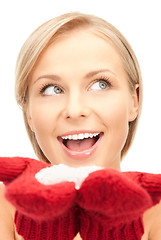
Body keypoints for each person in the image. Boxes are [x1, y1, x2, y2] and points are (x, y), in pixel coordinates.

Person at [0, 12, 161, 240]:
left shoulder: (157, 213)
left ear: (134, 101)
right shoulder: (5, 207)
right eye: (51, 89)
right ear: (28, 113)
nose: (75, 110)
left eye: (100, 84)